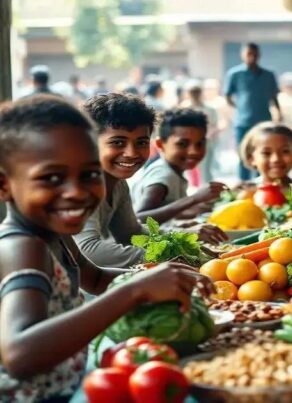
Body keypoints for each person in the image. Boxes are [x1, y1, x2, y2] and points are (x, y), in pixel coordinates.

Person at [0, 95, 212, 401]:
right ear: (5, 185)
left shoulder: (52, 232)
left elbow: (96, 278)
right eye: (52, 178)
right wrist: (135, 290)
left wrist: (154, 275)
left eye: (89, 174)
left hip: (72, 380)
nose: (76, 192)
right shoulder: (22, 247)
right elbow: (20, 355)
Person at [75, 94, 226, 268]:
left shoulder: (117, 183)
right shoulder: (82, 185)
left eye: (141, 142)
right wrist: (169, 257)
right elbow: (88, 250)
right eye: (118, 142)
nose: (131, 153)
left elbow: (131, 233)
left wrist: (183, 239)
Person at [131, 108, 228, 224]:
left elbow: (167, 212)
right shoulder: (163, 176)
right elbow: (140, 218)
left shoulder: (174, 171)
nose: (194, 151)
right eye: (182, 144)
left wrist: (200, 206)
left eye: (200, 144)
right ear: (160, 144)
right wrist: (194, 198)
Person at [225, 43, 283, 182]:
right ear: (243, 55)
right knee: (243, 154)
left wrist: (279, 113)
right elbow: (228, 96)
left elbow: (274, 97)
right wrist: (240, 108)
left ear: (259, 55)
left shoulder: (268, 75)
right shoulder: (235, 74)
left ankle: (262, 183)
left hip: (263, 122)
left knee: (263, 153)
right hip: (243, 122)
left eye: (255, 54)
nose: (252, 57)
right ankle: (244, 183)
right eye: (249, 54)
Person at [239, 122, 292, 189]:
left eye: (285, 151)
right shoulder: (245, 192)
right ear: (251, 158)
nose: (276, 159)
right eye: (266, 153)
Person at [181, 79, 220, 185]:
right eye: (192, 92)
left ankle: (207, 190)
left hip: (206, 142)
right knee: (190, 170)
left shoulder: (210, 109)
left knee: (206, 169)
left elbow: (214, 125)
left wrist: (207, 135)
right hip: (189, 143)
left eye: (197, 92)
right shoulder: (184, 109)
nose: (195, 95)